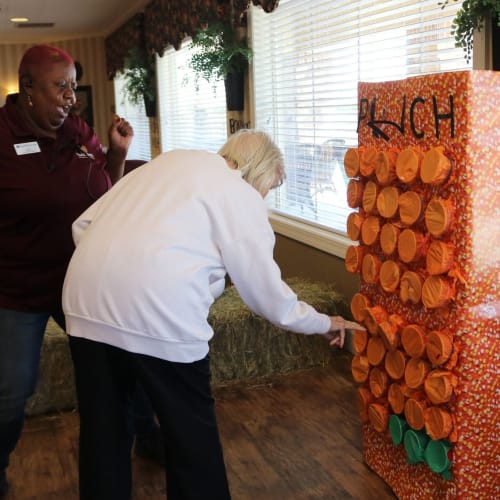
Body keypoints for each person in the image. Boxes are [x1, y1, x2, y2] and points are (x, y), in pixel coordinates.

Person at [62, 129, 366, 500]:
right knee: (192, 443)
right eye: (268, 188)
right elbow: (270, 299)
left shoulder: (170, 161)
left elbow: (82, 225)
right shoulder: (238, 193)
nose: (265, 199)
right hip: (160, 315)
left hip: (83, 300)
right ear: (256, 171)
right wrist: (324, 322)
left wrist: (120, 279)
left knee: (103, 435)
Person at [0, 44, 157, 498]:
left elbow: (103, 190)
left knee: (122, 360)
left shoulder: (77, 130)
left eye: (73, 85)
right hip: (18, 289)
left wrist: (117, 153)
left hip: (80, 282)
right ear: (27, 88)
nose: (70, 96)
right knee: (12, 389)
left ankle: (148, 437)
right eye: (60, 86)